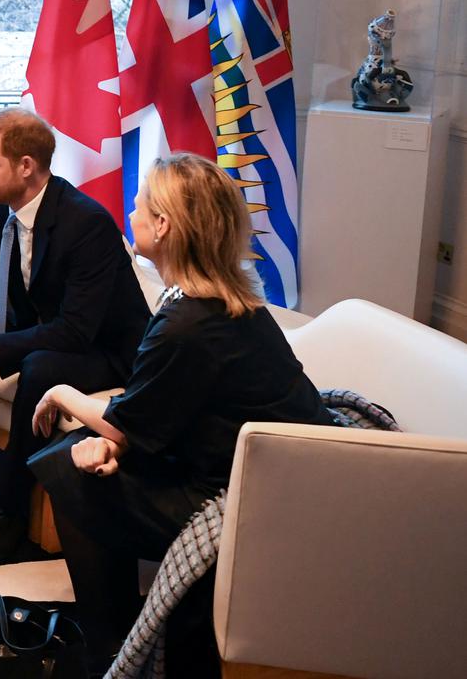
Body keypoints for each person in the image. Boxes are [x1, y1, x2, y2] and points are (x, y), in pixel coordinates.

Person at [28, 154, 332, 676]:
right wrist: (115, 440)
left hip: (253, 497)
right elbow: (160, 406)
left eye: (140, 205)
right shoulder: (224, 302)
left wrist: (61, 394)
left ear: (164, 225)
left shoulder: (188, 323)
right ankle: (117, 634)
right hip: (265, 470)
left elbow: (129, 416)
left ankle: (111, 649)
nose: (131, 212)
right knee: (80, 455)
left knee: (67, 470)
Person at [0, 107, 149, 563]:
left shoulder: (85, 223)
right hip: (38, 329)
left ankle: (11, 508)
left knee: (41, 367)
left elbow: (74, 330)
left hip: (104, 350)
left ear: (26, 167)